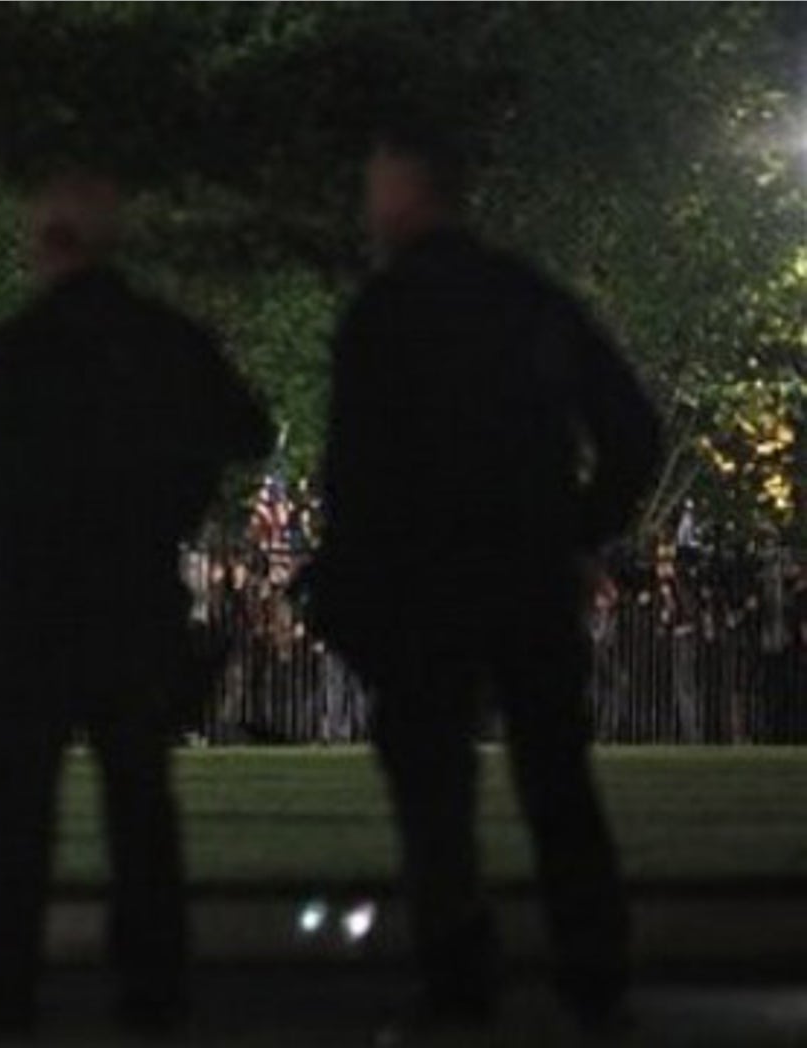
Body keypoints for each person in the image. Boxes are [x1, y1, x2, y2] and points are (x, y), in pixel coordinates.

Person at [306, 124, 663, 1041]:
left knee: (435, 796)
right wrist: (576, 531)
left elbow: (355, 474)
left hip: (424, 585)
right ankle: (594, 975)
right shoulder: (530, 301)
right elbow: (631, 432)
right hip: (528, 575)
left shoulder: (385, 314)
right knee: (556, 780)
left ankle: (459, 983)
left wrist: (353, 581)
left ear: (404, 195)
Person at [0, 172, 272, 1038]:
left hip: (30, 606)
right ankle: (152, 989)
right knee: (140, 804)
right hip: (134, 597)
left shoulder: (17, 347)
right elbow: (249, 430)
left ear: (46, 246)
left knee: (13, 816)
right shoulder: (165, 342)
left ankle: (0, 993)